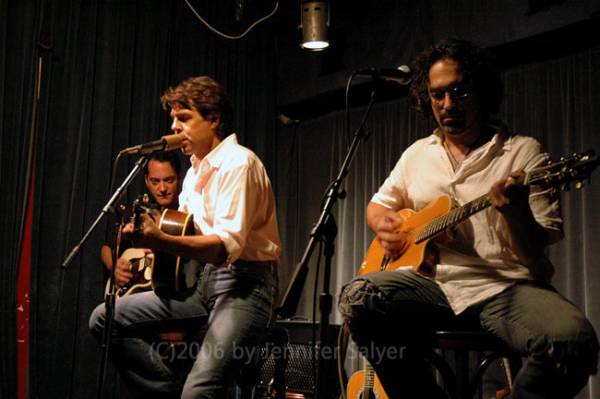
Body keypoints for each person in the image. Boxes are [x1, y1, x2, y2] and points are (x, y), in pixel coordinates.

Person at [338, 38, 598, 399]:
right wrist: (384, 223)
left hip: (503, 286)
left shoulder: (523, 152)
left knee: (572, 341)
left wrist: (515, 211)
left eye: (459, 92)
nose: (447, 105)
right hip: (431, 288)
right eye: (437, 95)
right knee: (358, 298)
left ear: (481, 92)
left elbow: (534, 251)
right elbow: (378, 205)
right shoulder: (417, 154)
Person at [89, 75, 282, 398]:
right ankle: (169, 390)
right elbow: (185, 233)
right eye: (173, 119)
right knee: (104, 319)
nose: (175, 127)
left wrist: (158, 239)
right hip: (203, 284)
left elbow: (222, 248)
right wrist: (145, 235)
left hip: (246, 288)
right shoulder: (193, 173)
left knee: (199, 391)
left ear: (214, 118)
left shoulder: (239, 164)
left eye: (184, 117)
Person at [101, 151, 182, 288]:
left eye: (169, 180)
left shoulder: (187, 214)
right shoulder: (139, 212)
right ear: (146, 181)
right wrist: (114, 267)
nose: (162, 188)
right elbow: (106, 248)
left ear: (179, 178)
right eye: (155, 181)